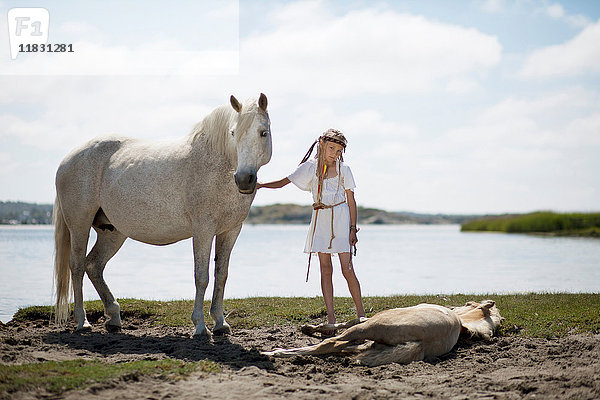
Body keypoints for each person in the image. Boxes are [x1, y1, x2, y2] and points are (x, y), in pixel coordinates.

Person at [257, 129, 366, 328]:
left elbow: (351, 200)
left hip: (341, 218)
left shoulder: (344, 169)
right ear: (322, 145)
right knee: (325, 269)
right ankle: (331, 318)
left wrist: (352, 228)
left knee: (347, 268)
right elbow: (284, 182)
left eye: (339, 150)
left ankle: (361, 315)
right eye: (332, 148)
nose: (335, 153)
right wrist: (261, 185)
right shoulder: (310, 168)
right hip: (320, 219)